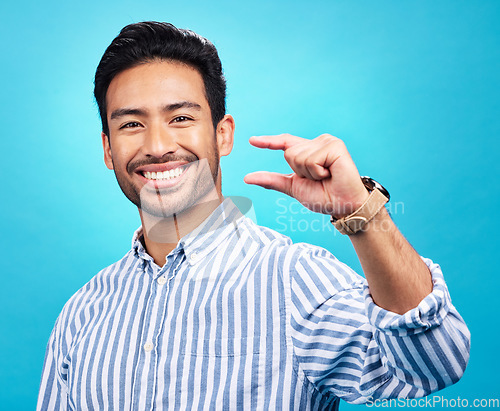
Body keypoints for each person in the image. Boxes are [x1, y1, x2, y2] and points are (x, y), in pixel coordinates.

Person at [37, 21, 470, 410]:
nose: (156, 144)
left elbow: (435, 361)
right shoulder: (82, 313)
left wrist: (361, 213)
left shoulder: (296, 281)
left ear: (223, 134)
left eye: (181, 117)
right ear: (108, 150)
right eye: (131, 124)